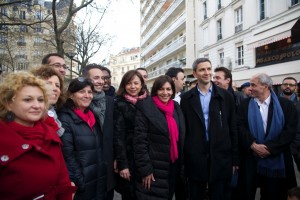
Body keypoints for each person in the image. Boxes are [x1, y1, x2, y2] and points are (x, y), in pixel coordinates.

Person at [0, 72, 76, 200]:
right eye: (27, 99)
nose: (36, 105)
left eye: (40, 100)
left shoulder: (50, 134)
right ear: (9, 104)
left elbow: (62, 179)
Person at [180, 58, 239, 200]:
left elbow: (233, 128)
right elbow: (184, 130)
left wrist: (235, 159)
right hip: (195, 155)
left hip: (220, 155)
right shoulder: (186, 98)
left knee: (219, 194)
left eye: (208, 69)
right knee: (196, 194)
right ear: (194, 74)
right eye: (202, 69)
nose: (206, 73)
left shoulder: (226, 96)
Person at [237, 73, 297, 200]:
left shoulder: (286, 106)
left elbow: (289, 131)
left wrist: (268, 148)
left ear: (265, 86)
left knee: (273, 194)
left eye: (253, 85)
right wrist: (253, 145)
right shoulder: (244, 105)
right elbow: (239, 127)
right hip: (250, 158)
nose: (250, 88)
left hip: (277, 158)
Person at [134, 75, 185, 200]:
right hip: (154, 168)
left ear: (173, 91)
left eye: (168, 89)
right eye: (161, 89)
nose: (165, 93)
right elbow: (140, 142)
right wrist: (146, 169)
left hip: (173, 165)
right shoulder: (146, 107)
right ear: (156, 90)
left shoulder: (176, 107)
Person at [58, 77, 107, 200]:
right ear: (71, 95)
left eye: (89, 92)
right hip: (82, 184)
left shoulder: (93, 117)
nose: (87, 95)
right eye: (81, 92)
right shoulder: (65, 118)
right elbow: (67, 155)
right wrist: (80, 181)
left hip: (97, 179)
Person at [82, 64, 115, 200]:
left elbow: (117, 134)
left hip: (108, 166)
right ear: (86, 80)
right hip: (87, 169)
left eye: (102, 78)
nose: (101, 81)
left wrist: (118, 158)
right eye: (96, 78)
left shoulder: (111, 102)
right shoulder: (79, 104)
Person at [113, 70, 148, 200]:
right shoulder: (119, 104)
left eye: (136, 83)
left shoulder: (147, 102)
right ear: (124, 85)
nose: (133, 87)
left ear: (141, 84)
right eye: (129, 83)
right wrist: (123, 165)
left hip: (145, 157)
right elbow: (118, 136)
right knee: (130, 194)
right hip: (129, 157)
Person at [31, 65, 65, 137]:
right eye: (48, 84)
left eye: (57, 85)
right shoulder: (30, 116)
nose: (54, 88)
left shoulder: (57, 114)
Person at [280, 77, 300, 171]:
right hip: (279, 143)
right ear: (281, 86)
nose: (288, 86)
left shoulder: (298, 103)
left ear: (295, 87)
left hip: (297, 144)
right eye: (285, 84)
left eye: (291, 85)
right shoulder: (274, 101)